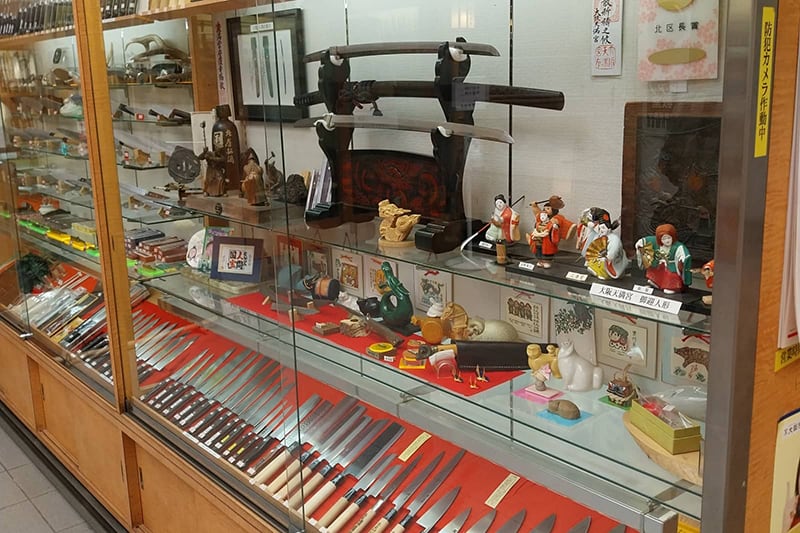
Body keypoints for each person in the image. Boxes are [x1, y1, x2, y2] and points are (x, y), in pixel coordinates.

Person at [635, 223, 692, 293]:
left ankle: (672, 287)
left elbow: (684, 253)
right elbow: (645, 240)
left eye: (669, 238)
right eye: (664, 239)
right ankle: (655, 283)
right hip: (658, 264)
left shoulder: (677, 246)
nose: (667, 241)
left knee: (671, 275)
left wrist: (682, 258)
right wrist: (640, 244)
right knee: (653, 271)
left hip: (671, 265)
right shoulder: (655, 242)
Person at [485, 194, 520, 264]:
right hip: (497, 232)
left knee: (501, 244)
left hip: (504, 231)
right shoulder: (497, 210)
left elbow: (501, 222)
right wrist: (493, 219)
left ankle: (502, 259)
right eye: (497, 203)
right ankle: (500, 259)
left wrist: (495, 221)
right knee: (499, 245)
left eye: (500, 202)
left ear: (504, 203)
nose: (499, 204)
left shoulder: (508, 212)